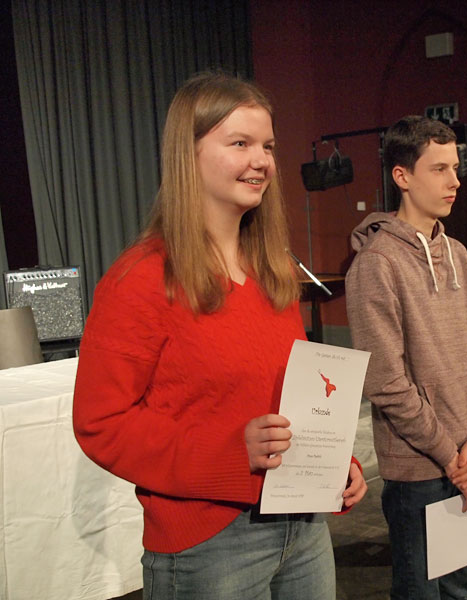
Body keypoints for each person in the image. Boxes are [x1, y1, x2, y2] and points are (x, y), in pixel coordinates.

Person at [72, 72, 366, 600]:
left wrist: (333, 461)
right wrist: (231, 455)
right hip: (210, 546)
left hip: (302, 527)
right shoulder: (140, 279)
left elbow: (289, 401)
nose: (262, 161)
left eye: (268, 146)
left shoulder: (272, 271)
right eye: (240, 143)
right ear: (188, 154)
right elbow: (101, 424)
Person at [345, 115, 467, 599]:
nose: (455, 181)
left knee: (459, 589)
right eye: (439, 169)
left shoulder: (459, 254)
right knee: (421, 593)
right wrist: (452, 457)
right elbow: (385, 382)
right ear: (402, 176)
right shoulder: (376, 263)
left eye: (455, 167)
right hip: (418, 471)